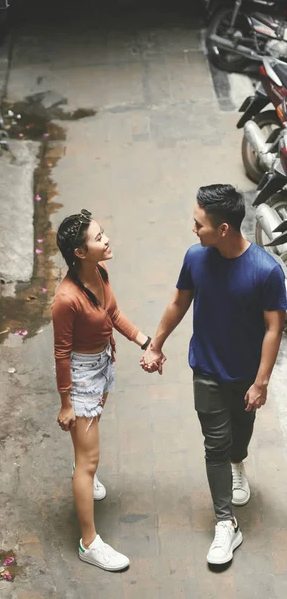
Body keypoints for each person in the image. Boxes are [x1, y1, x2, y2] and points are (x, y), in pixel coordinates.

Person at [141, 184, 287, 566]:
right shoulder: (196, 258)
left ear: (224, 229)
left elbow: (274, 328)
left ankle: (239, 463)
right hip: (205, 370)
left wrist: (261, 382)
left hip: (245, 377)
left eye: (199, 224)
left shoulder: (266, 271)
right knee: (215, 445)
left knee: (240, 438)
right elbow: (178, 302)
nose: (194, 229)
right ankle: (226, 522)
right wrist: (155, 344)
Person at [52, 209, 151, 571]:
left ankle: (85, 478)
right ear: (79, 252)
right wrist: (66, 403)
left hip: (103, 363)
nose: (105, 239)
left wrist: (145, 341)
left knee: (86, 450)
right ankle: (89, 543)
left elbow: (113, 312)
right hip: (80, 376)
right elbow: (61, 353)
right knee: (88, 462)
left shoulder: (99, 272)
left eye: (102, 233)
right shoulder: (66, 299)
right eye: (98, 238)